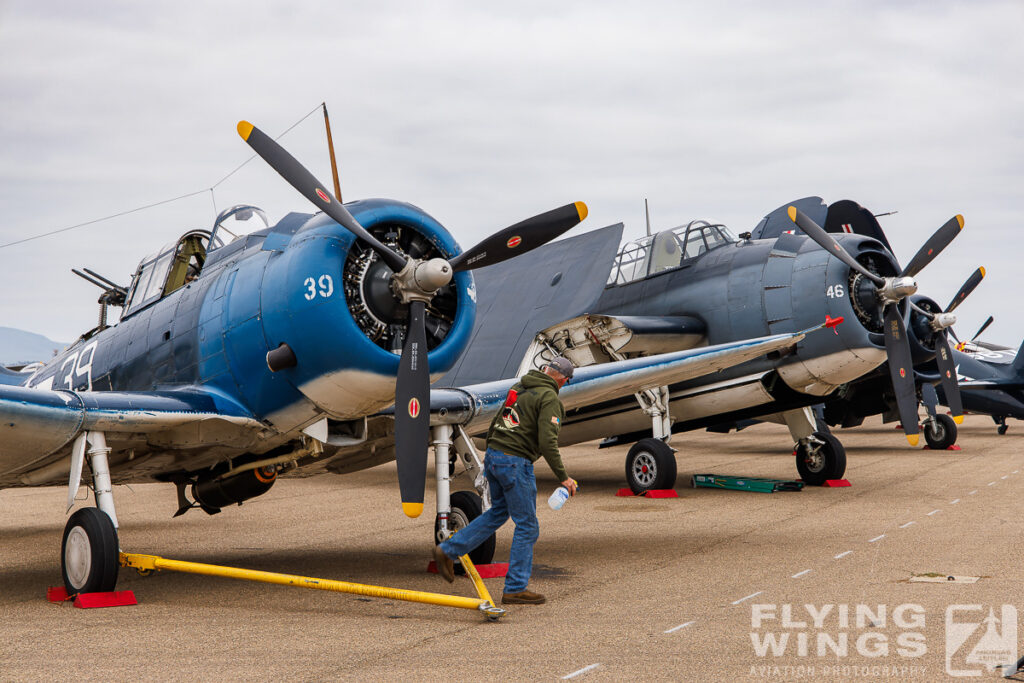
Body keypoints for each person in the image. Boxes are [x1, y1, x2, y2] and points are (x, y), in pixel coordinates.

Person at [432, 356, 578, 605]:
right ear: (562, 379)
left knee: (498, 512)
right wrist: (563, 477)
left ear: (545, 369)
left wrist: (495, 453)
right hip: (515, 463)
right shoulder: (549, 398)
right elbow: (547, 442)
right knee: (528, 526)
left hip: (495, 457)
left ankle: (449, 549)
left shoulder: (519, 387)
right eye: (566, 380)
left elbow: (497, 422)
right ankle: (515, 587)